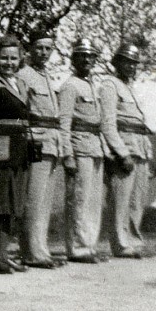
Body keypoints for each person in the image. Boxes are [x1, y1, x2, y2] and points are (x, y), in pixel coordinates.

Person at [15, 30, 66, 268]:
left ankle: (41, 249)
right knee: (33, 199)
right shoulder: (24, 75)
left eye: (48, 48)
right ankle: (31, 252)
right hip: (35, 141)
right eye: (39, 48)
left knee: (45, 202)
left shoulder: (46, 76)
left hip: (51, 142)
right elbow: (21, 111)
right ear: (29, 49)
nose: (44, 53)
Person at [0, 36, 31, 275]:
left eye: (13, 58)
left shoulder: (20, 83)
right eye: (4, 58)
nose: (9, 63)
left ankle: (5, 253)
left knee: (13, 204)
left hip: (19, 150)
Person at [100, 43, 154, 259]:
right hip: (124, 146)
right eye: (126, 62)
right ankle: (120, 244)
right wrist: (121, 153)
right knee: (120, 199)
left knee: (137, 200)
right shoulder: (109, 85)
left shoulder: (132, 87)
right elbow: (107, 123)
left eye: (134, 63)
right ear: (117, 62)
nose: (131, 66)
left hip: (140, 146)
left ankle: (133, 242)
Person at [58, 38, 106, 264]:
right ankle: (77, 248)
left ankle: (89, 245)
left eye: (90, 56)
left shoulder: (93, 86)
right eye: (82, 56)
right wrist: (67, 155)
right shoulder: (70, 86)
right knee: (79, 200)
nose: (87, 60)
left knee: (93, 202)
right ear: (74, 59)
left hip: (95, 148)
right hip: (79, 148)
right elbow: (64, 123)